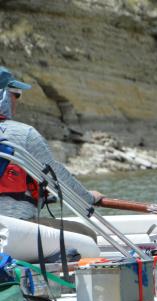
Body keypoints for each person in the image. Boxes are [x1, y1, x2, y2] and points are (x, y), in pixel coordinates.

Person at [0, 66, 100, 261]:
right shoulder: (23, 135)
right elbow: (57, 177)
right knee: (87, 235)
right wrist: (88, 197)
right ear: (2, 96)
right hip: (10, 230)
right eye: (15, 94)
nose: (16, 101)